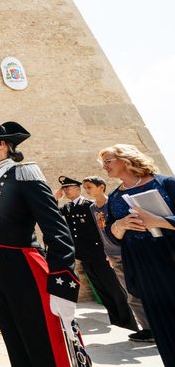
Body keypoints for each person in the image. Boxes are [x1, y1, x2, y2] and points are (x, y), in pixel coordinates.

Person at [0, 80, 82, 367]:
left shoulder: (24, 173)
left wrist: (62, 282)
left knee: (38, 338)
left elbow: (56, 230)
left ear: (3, 144)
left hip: (22, 266)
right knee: (14, 339)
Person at [100, 144, 175, 365]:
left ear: (126, 159)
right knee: (162, 323)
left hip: (170, 258)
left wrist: (158, 221)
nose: (105, 167)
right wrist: (121, 226)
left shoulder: (166, 183)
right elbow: (112, 236)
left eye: (108, 161)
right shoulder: (114, 197)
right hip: (143, 265)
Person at [55, 175, 138, 331]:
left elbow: (102, 229)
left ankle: (129, 324)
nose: (65, 190)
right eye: (64, 188)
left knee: (114, 289)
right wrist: (55, 199)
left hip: (100, 254)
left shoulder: (89, 205)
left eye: (68, 188)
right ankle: (117, 323)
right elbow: (54, 217)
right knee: (102, 291)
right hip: (86, 257)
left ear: (77, 188)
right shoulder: (67, 208)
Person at [82, 175, 152, 341]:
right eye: (85, 187)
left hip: (128, 252)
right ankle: (147, 329)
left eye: (89, 187)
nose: (87, 190)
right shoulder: (92, 208)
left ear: (101, 187)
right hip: (113, 254)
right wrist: (107, 253)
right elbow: (101, 232)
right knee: (131, 293)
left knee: (148, 288)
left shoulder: (112, 203)